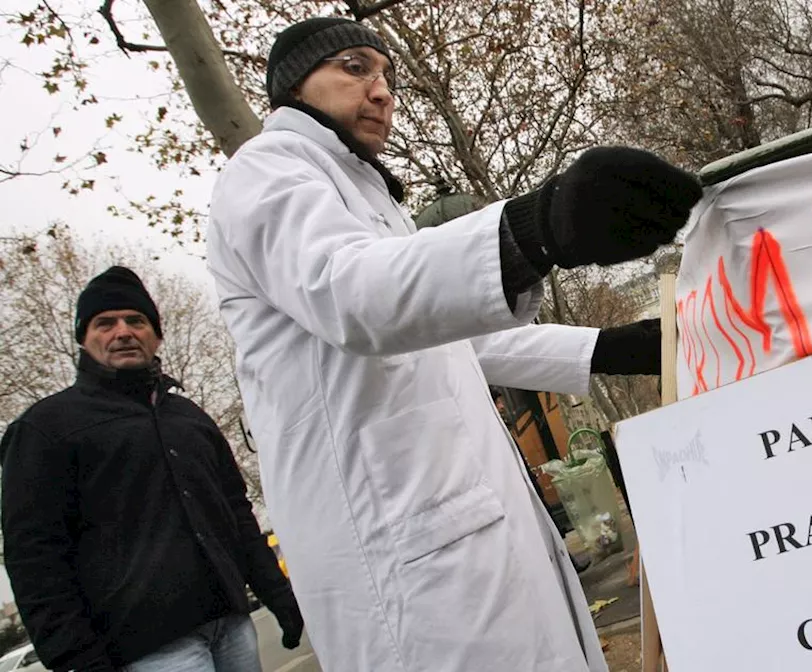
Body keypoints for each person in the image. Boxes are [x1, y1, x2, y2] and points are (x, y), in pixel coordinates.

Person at [206, 16, 691, 672]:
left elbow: (452, 341)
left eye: (387, 76)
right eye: (354, 67)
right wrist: (536, 229)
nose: (381, 90)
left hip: (469, 540)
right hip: (406, 566)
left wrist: (608, 348)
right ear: (294, 87)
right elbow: (354, 293)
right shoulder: (266, 172)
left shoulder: (371, 200)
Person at [0, 266, 304, 672]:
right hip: (146, 650)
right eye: (105, 323)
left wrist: (278, 596)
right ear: (84, 339)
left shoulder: (190, 419)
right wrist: (77, 660)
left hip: (230, 626)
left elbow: (236, 517)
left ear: (156, 335)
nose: (122, 331)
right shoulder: (45, 429)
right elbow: (35, 559)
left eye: (136, 321)